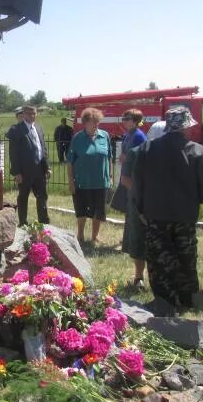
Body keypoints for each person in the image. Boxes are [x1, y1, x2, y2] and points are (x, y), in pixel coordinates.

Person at [132, 107, 203, 312]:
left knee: (159, 257)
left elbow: (137, 184)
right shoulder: (197, 151)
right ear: (186, 127)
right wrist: (194, 201)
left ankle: (164, 299)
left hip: (155, 214)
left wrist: (142, 209)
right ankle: (185, 298)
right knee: (185, 255)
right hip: (184, 215)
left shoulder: (146, 150)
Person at [120, 121, 167, 288]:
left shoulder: (170, 155)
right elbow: (125, 179)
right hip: (139, 203)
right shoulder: (135, 153)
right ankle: (139, 276)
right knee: (138, 240)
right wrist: (143, 194)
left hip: (161, 205)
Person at [66, 107, 111, 244]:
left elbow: (109, 157)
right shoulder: (77, 138)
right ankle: (80, 235)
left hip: (100, 182)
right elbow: (69, 162)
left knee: (98, 211)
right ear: (85, 123)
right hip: (82, 182)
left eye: (98, 121)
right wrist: (71, 181)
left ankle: (94, 236)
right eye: (93, 122)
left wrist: (109, 176)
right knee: (82, 210)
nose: (96, 124)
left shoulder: (105, 136)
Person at [117, 109, 148, 286]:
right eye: (124, 117)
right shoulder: (128, 135)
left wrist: (126, 157)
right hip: (127, 178)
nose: (124, 120)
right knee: (128, 212)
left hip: (134, 180)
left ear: (135, 121)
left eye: (127, 118)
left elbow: (141, 157)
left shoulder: (139, 136)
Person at [6, 105, 50, 226]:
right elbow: (13, 153)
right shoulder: (16, 130)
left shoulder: (38, 128)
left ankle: (44, 222)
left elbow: (43, 149)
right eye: (29, 113)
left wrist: (47, 167)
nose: (32, 116)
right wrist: (16, 172)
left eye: (34, 113)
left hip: (39, 170)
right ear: (23, 114)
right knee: (23, 197)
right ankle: (23, 223)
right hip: (24, 172)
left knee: (42, 196)